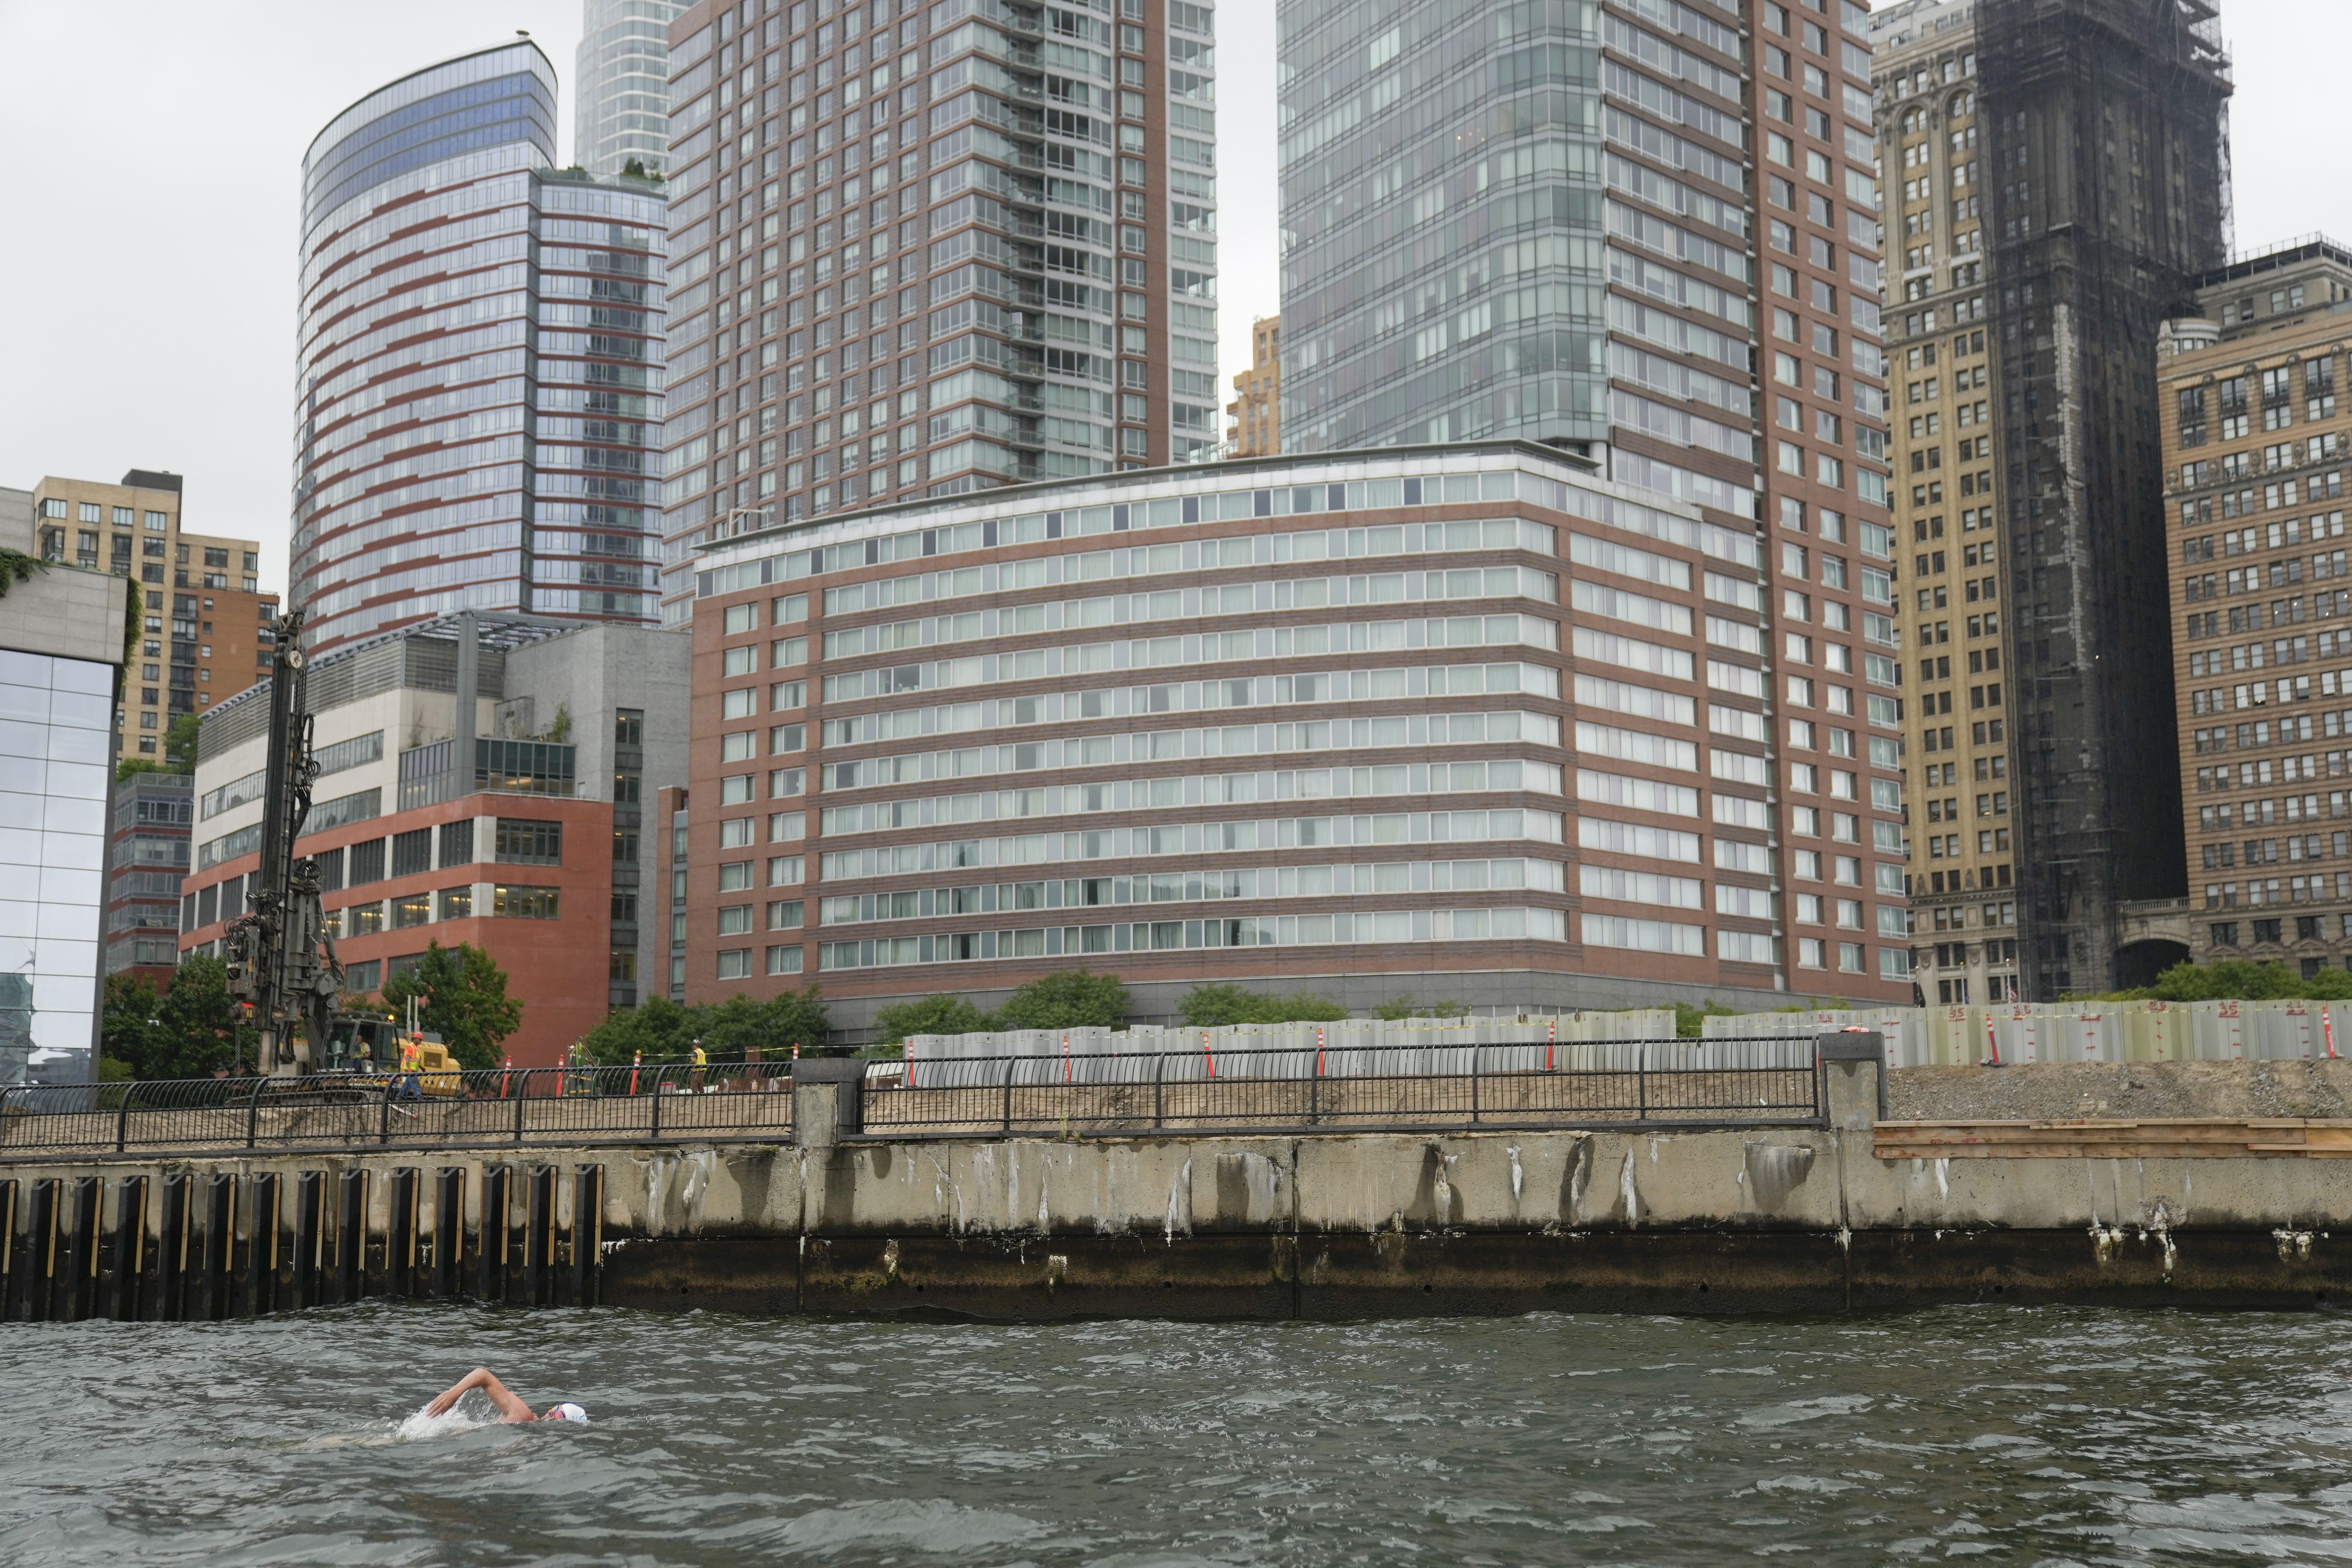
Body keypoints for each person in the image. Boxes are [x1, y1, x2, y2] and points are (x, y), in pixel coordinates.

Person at [421, 1367, 587, 1424]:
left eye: (559, 1414)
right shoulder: (524, 1415)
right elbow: (483, 1375)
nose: (551, 1411)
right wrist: (453, 1394)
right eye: (555, 1407)